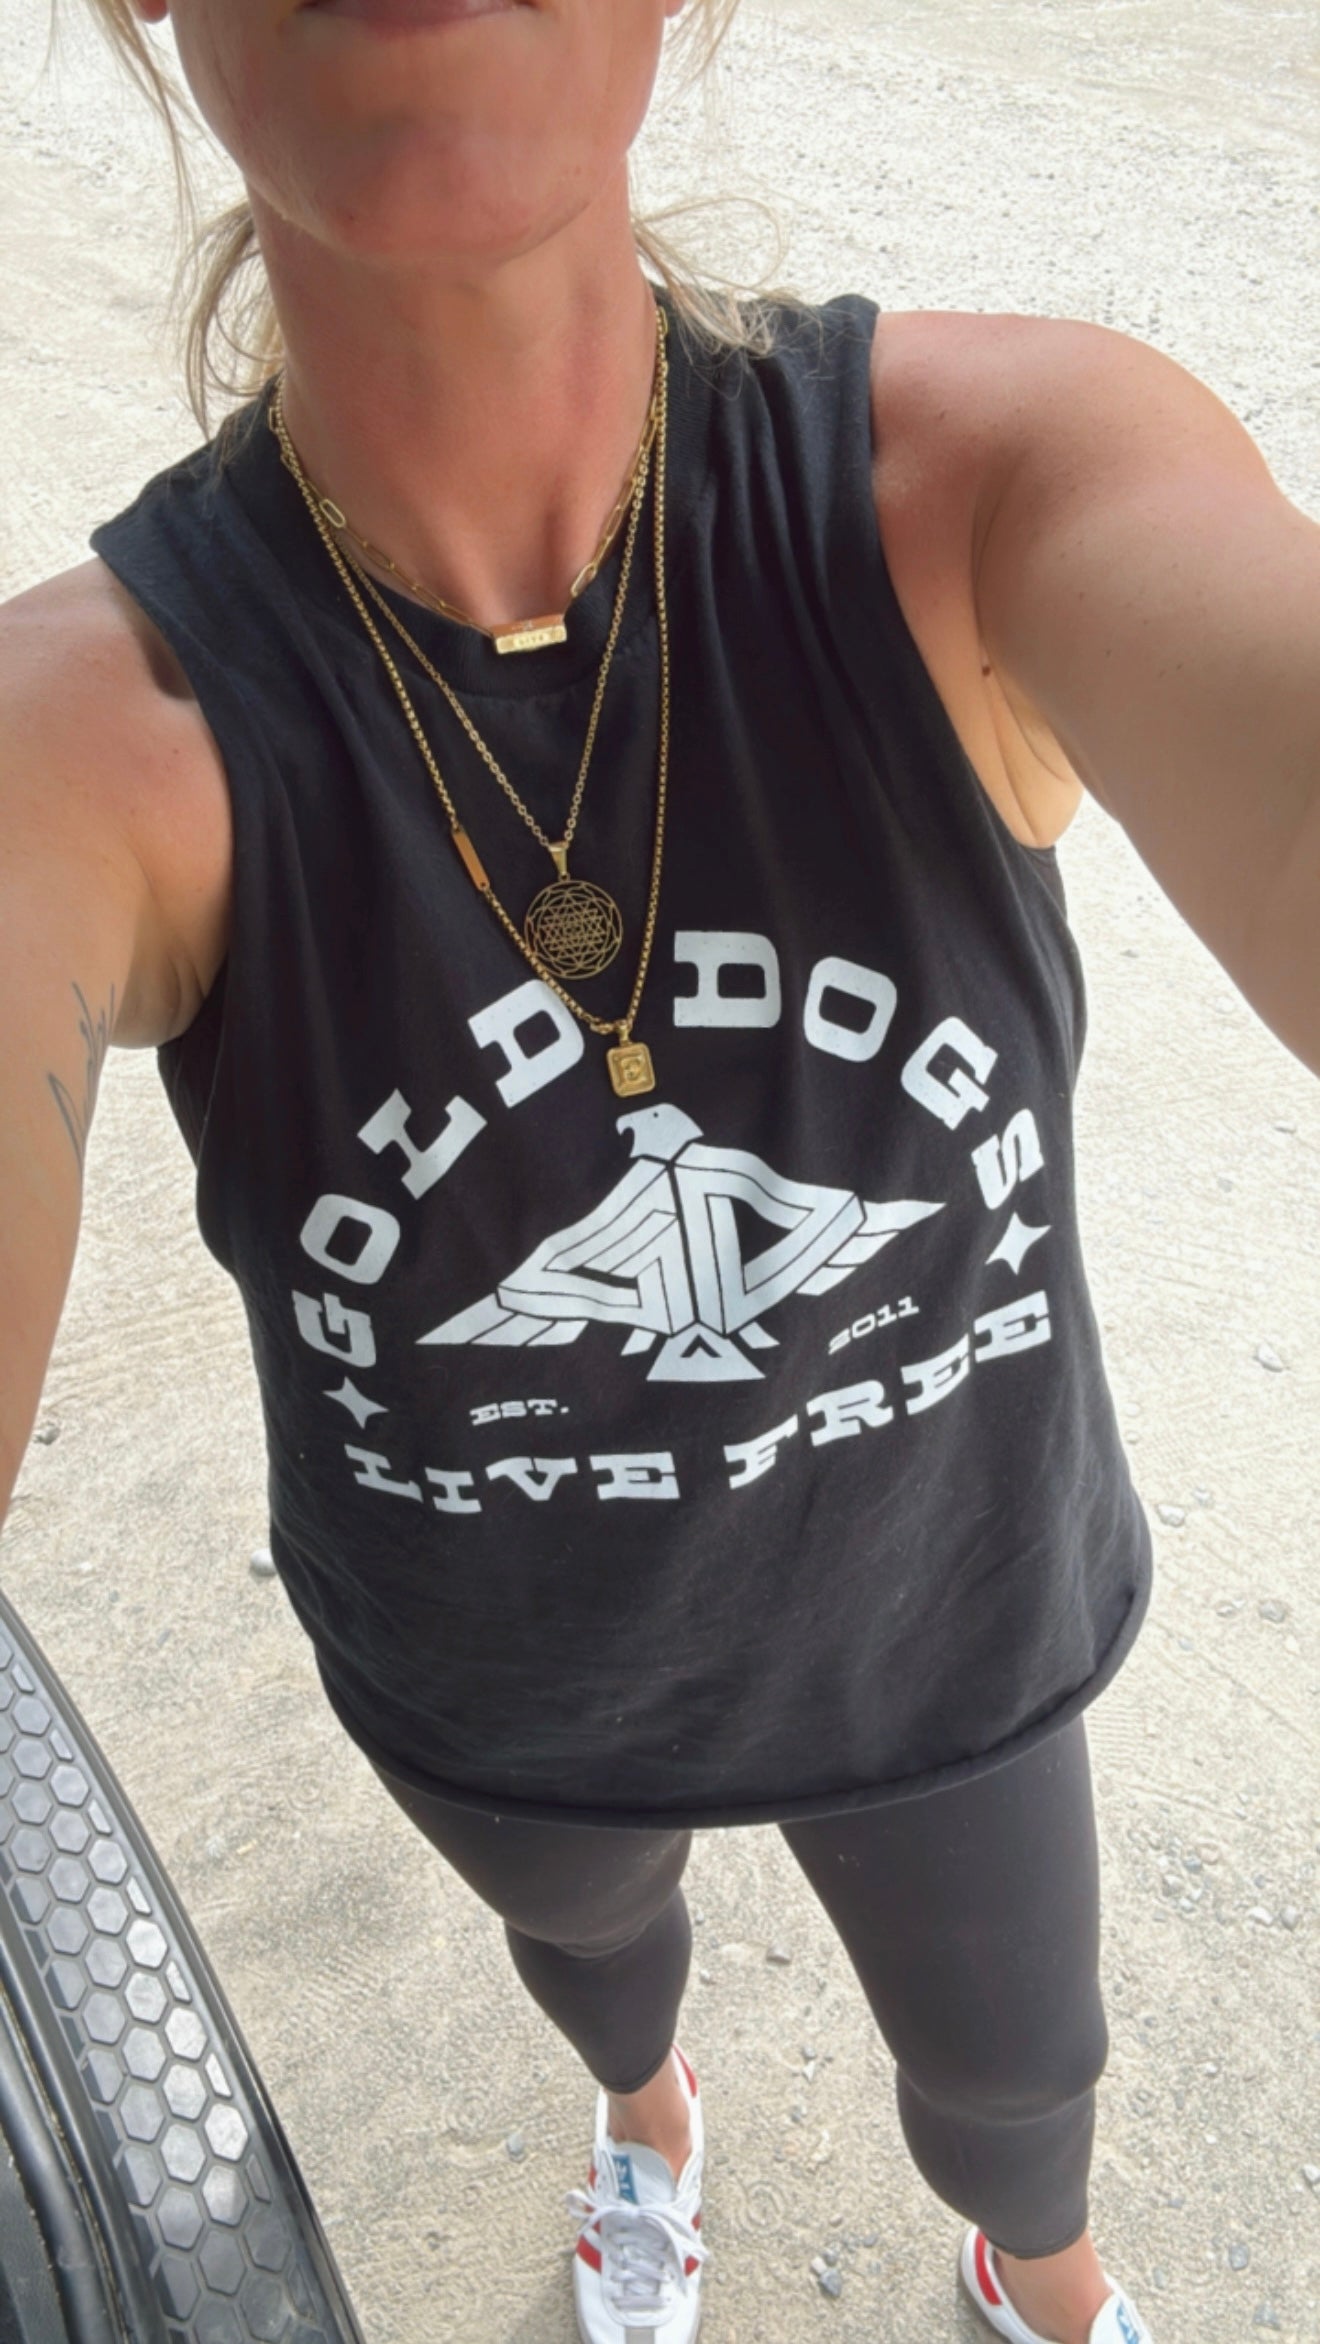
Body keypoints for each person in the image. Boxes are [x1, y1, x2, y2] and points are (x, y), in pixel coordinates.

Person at [2, 2, 1316, 2340]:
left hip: (949, 1618)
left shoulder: (994, 495)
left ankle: (1045, 2273)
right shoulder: (93, 744)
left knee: (1020, 2072)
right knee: (596, 1953)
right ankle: (649, 2112)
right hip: (508, 1676)